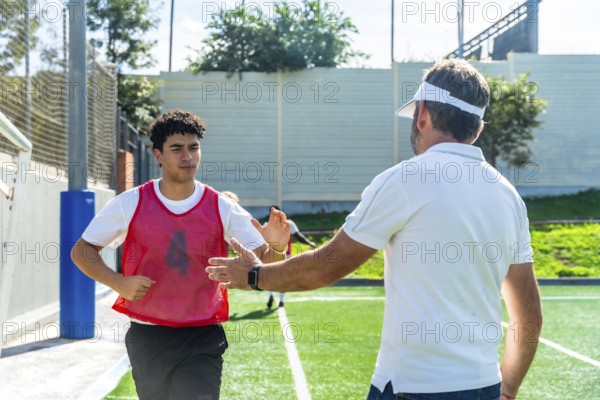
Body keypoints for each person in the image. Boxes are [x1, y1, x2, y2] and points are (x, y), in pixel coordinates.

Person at [206, 60, 543, 400]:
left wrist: (254, 275)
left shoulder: (405, 179)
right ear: (478, 128)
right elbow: (528, 315)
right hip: (484, 387)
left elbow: (327, 265)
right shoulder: (508, 196)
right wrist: (508, 390)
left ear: (422, 114)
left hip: (412, 388)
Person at [70, 109, 290, 400]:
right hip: (149, 337)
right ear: (159, 155)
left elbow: (270, 266)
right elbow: (81, 251)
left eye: (193, 147)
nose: (187, 156)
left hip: (203, 337)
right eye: (177, 149)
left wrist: (275, 246)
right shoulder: (131, 203)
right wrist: (118, 283)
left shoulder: (221, 206)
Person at [265, 205, 318, 309]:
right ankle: (281, 300)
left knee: (271, 276)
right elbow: (299, 236)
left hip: (272, 255)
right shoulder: (289, 224)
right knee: (284, 277)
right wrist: (310, 243)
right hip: (286, 254)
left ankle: (271, 295)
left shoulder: (267, 225)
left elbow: (261, 240)